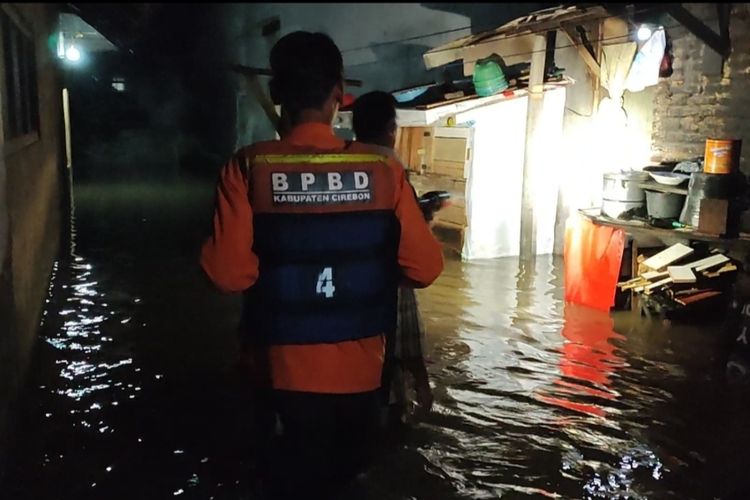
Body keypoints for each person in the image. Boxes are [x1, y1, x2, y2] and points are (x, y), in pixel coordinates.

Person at [200, 32, 443, 500]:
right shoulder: (384, 171)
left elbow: (226, 276)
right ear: (339, 95)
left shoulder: (248, 168)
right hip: (363, 382)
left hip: (279, 379)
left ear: (276, 93)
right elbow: (425, 269)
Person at [352, 91, 436, 428]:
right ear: (391, 128)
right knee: (405, 353)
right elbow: (423, 261)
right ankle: (417, 410)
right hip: (393, 282)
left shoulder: (343, 166)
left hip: (353, 287)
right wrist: (424, 217)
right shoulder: (394, 172)